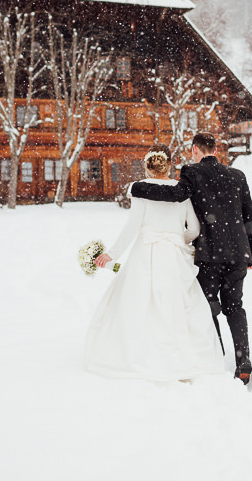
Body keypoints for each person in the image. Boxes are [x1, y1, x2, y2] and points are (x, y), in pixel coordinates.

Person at [85, 144, 224, 382]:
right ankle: (183, 353)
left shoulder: (141, 189)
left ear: (148, 166)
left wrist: (113, 254)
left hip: (146, 252)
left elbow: (133, 226)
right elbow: (195, 228)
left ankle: (142, 352)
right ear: (169, 164)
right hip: (174, 254)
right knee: (176, 303)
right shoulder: (182, 191)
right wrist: (180, 240)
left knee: (140, 302)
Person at [130, 132, 252, 384]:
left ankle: (216, 356)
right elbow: (249, 216)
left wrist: (139, 187)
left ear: (194, 150)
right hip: (236, 253)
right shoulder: (237, 176)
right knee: (235, 306)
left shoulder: (192, 172)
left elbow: (175, 195)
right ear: (215, 149)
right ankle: (243, 360)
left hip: (210, 253)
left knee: (208, 305)